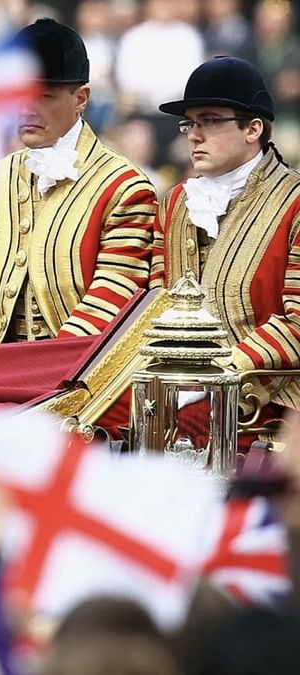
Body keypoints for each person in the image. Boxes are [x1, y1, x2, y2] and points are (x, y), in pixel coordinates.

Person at [0, 18, 158, 346]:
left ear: (82, 98)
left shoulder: (124, 187)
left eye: (44, 96)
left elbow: (112, 301)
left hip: (82, 378)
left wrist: (46, 379)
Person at [151, 56, 300, 414]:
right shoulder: (174, 203)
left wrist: (217, 375)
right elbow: (154, 304)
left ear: (253, 129)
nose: (195, 135)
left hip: (273, 409)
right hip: (178, 397)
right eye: (190, 124)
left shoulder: (295, 203)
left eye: (211, 121)